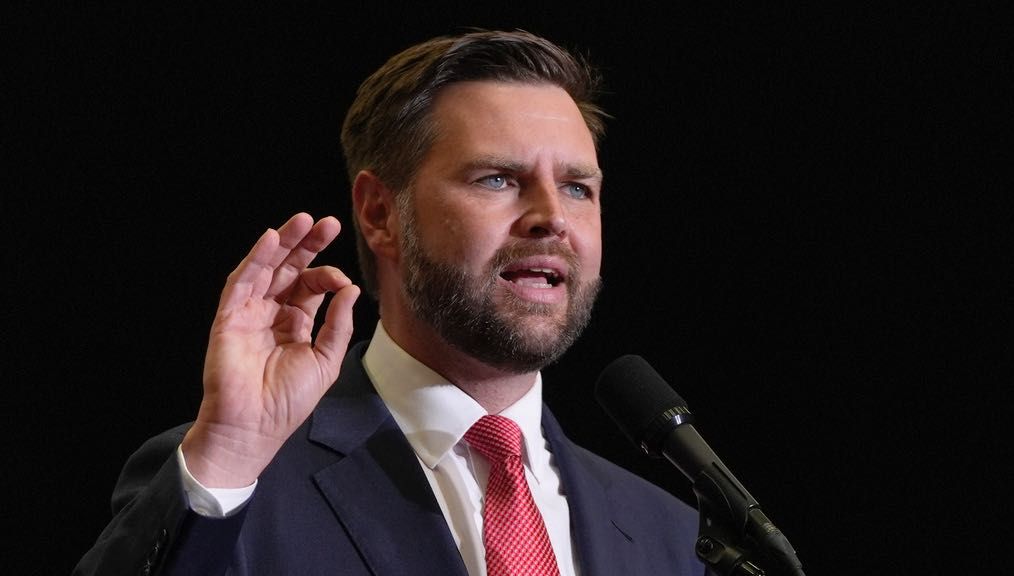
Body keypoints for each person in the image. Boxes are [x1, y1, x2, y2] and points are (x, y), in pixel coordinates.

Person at [74, 29, 706, 576]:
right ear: (380, 214)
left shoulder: (671, 538)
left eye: (576, 187)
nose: (551, 218)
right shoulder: (234, 481)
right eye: (498, 179)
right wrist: (230, 453)